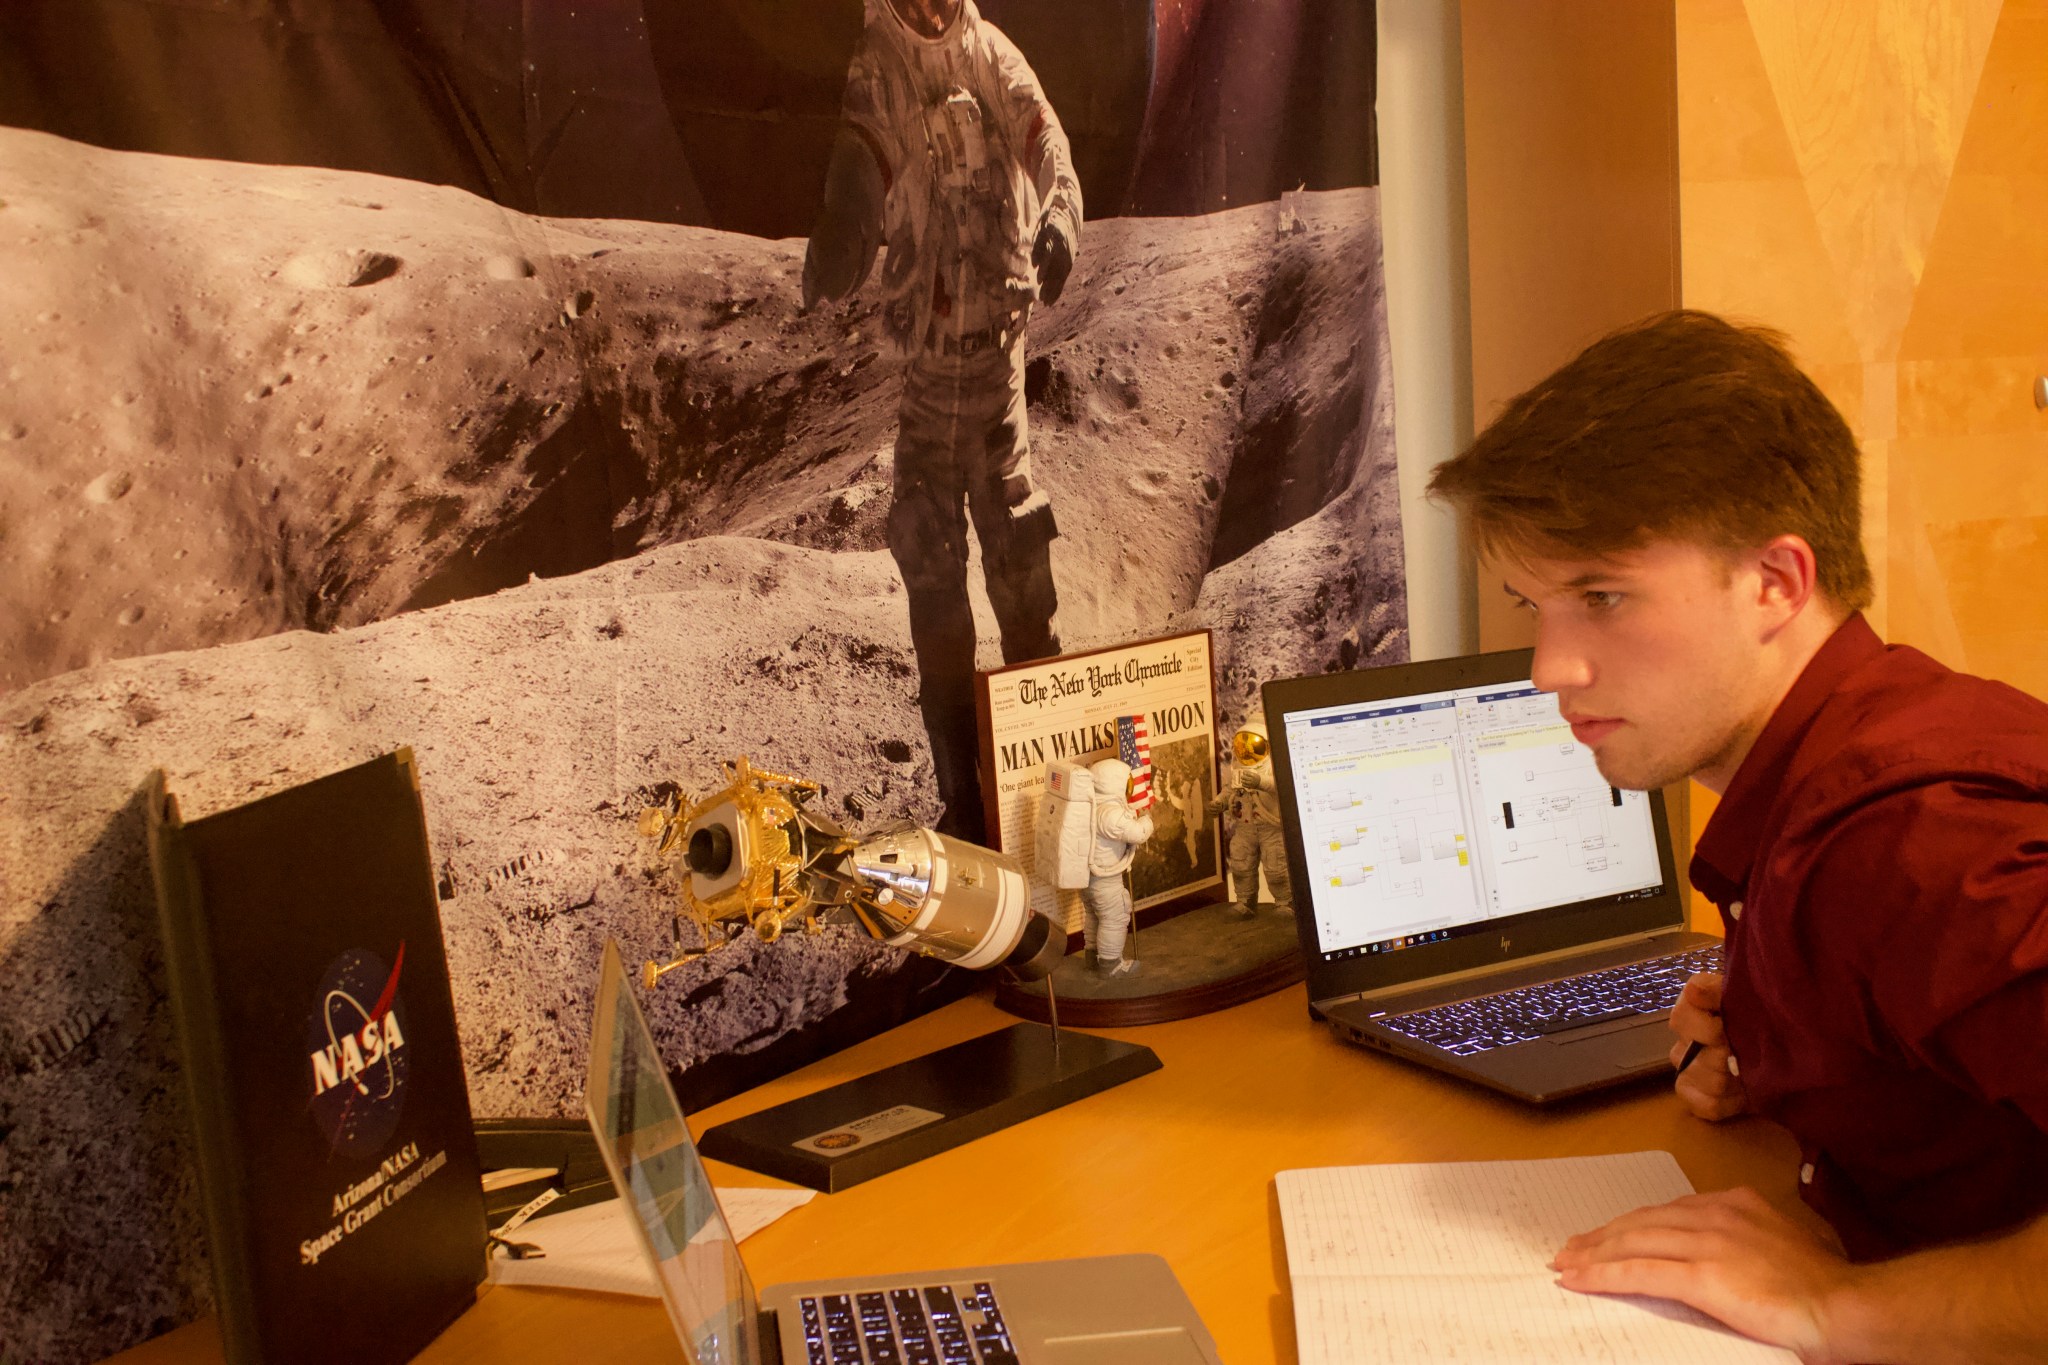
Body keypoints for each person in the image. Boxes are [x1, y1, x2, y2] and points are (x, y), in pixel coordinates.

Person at [1426, 310, 2048, 1363]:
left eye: (1601, 596)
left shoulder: (1909, 841)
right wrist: (1792, 1054)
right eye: (1534, 603)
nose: (1546, 668)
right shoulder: (1838, 761)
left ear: (1775, 584)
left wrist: (1834, 1313)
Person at [803, 0, 1082, 844]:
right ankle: (968, 811)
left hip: (995, 381)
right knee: (936, 598)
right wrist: (844, 234)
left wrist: (1061, 217)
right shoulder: (879, 66)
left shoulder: (991, 54)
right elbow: (866, 153)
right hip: (929, 385)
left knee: (1022, 581)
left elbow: (1046, 141)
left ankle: (1053, 799)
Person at [1207, 719, 1291, 919]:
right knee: (1241, 862)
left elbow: (1282, 786)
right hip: (1245, 827)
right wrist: (1219, 802)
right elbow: (1229, 789)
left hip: (1271, 827)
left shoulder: (1275, 764)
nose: (1247, 751)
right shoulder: (1237, 766)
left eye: (1253, 746)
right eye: (1242, 746)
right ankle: (1245, 901)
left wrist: (1260, 782)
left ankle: (1285, 902)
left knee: (1276, 865)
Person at [1082, 756, 1152, 978]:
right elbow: (1137, 834)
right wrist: (1147, 820)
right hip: (1105, 879)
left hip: (1087, 878)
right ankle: (1111, 965)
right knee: (1115, 917)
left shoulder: (1091, 806)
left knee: (1095, 916)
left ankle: (1092, 956)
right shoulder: (1110, 814)